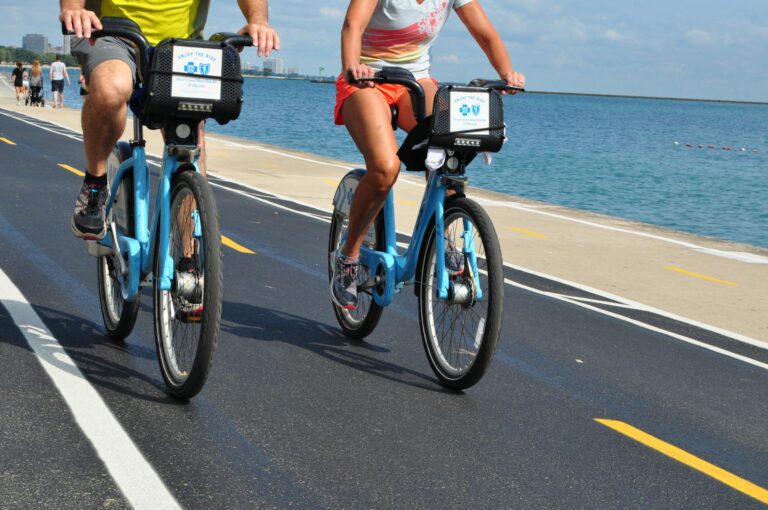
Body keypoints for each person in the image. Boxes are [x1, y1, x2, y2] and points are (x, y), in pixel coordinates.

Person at [330, 0, 525, 309]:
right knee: (384, 168)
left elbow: (485, 34)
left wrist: (507, 72)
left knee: (452, 143)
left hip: (414, 83)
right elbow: (352, 26)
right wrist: (354, 66)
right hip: (368, 80)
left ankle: (444, 232)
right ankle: (348, 257)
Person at [60, 0, 280, 240]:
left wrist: (257, 21)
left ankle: (190, 264)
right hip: (112, 33)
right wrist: (73, 8)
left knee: (190, 153)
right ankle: (95, 184)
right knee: (111, 90)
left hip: (180, 45)